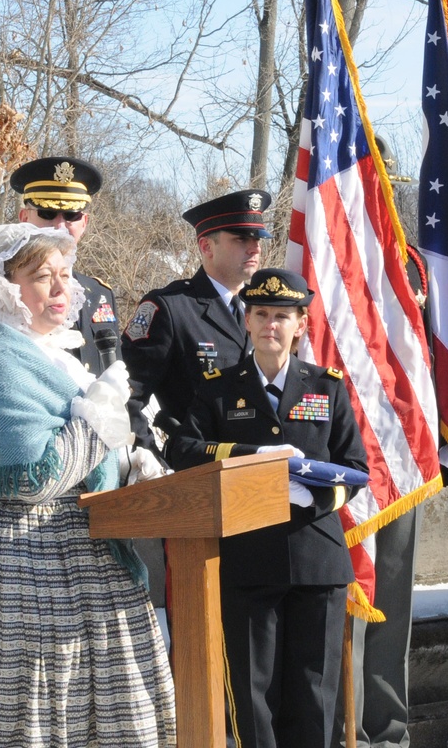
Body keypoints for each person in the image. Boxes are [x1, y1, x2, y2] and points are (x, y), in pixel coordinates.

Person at [0, 224, 175, 748]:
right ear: (6, 285)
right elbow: (35, 475)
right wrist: (100, 415)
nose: (59, 288)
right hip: (9, 563)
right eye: (41, 276)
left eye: (65, 275)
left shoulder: (62, 356)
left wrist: (127, 464)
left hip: (85, 551)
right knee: (18, 715)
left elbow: (82, 454)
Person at [170, 268, 369, 748]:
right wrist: (248, 458)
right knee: (253, 696)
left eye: (283, 316)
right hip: (247, 557)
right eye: (261, 313)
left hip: (316, 558)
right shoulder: (218, 388)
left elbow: (356, 467)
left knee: (313, 694)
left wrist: (316, 495)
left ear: (301, 324)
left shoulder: (327, 386)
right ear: (246, 318)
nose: (270, 325)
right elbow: (182, 448)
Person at [335, 135, 425, 748]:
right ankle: (346, 727)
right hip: (340, 454)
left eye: (385, 180)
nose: (380, 190)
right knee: (348, 599)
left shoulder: (411, 264)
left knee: (394, 602)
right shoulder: (321, 248)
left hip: (406, 449)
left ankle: (388, 730)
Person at [121, 188, 272, 453]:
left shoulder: (263, 309)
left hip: (257, 468)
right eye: (240, 239)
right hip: (196, 469)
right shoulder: (170, 308)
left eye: (258, 239)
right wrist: (153, 460)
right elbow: (126, 399)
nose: (254, 248)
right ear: (206, 246)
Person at [12, 155, 122, 374]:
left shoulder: (99, 292)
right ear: (24, 217)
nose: (60, 225)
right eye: (47, 213)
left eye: (71, 215)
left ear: (84, 223)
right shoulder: (2, 287)